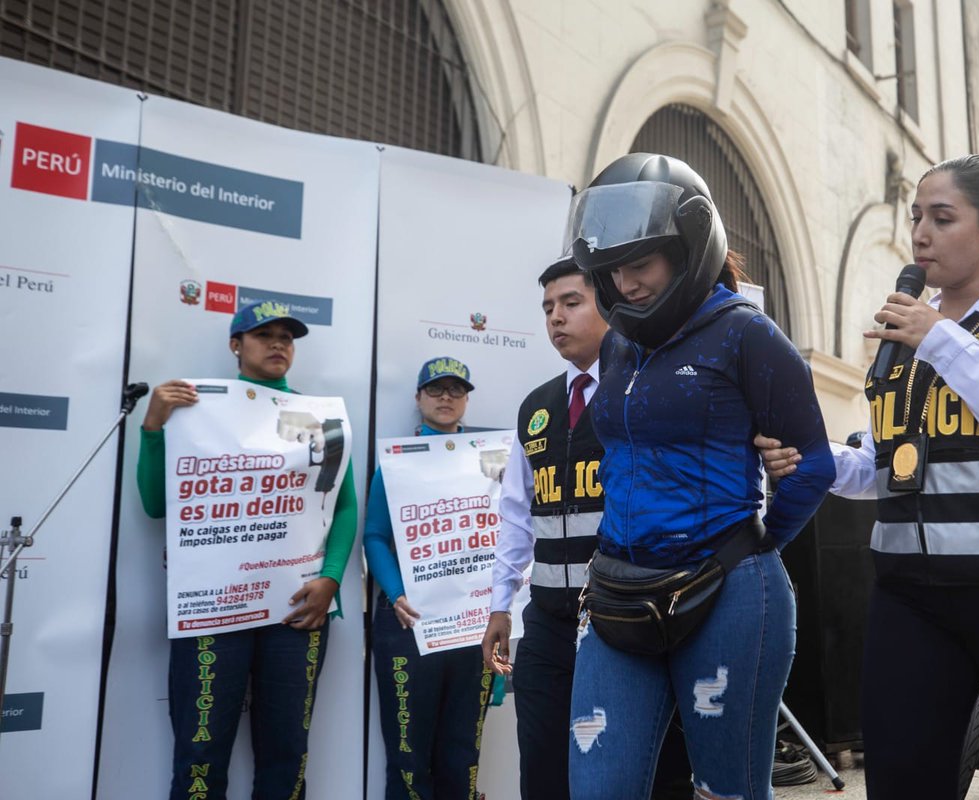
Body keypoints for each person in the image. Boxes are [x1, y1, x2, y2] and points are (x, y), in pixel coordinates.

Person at [761, 155, 979, 799]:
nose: (920, 233)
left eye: (942, 218)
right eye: (917, 216)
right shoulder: (909, 337)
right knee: (900, 782)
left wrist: (943, 340)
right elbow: (888, 467)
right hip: (910, 598)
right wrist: (814, 458)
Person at [563, 153, 836, 799]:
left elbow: (814, 461)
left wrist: (761, 543)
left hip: (728, 596)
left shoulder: (746, 333)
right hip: (617, 592)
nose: (625, 284)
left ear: (687, 249)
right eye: (612, 269)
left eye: (642, 264)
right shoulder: (618, 344)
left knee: (727, 793)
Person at [480, 257, 692, 799]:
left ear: (607, 303)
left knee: (646, 770)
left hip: (628, 615)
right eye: (548, 307)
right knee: (545, 770)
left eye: (571, 303)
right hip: (549, 622)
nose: (556, 317)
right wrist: (500, 605)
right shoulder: (538, 408)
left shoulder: (645, 387)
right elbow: (516, 517)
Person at [137, 301, 358, 799]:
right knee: (200, 752)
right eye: (264, 335)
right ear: (236, 346)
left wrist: (332, 578)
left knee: (287, 753)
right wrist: (153, 428)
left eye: (288, 336)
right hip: (214, 606)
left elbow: (342, 508)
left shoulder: (320, 417)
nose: (279, 343)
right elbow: (156, 505)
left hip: (296, 608)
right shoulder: (193, 412)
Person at [364, 356, 493, 799]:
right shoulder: (398, 463)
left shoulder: (491, 462)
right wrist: (396, 593)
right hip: (409, 622)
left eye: (456, 390)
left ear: (466, 400)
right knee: (407, 754)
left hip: (470, 626)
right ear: (418, 398)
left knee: (463, 751)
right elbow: (375, 537)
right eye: (435, 390)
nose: (445, 398)